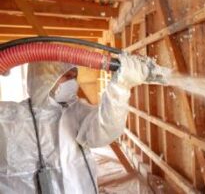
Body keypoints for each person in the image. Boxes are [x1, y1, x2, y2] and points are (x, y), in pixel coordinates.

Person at [0, 54, 150, 193]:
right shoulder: (9, 118)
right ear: (44, 78)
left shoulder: (76, 111)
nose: (73, 82)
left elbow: (104, 130)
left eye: (74, 76)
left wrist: (120, 88)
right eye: (66, 76)